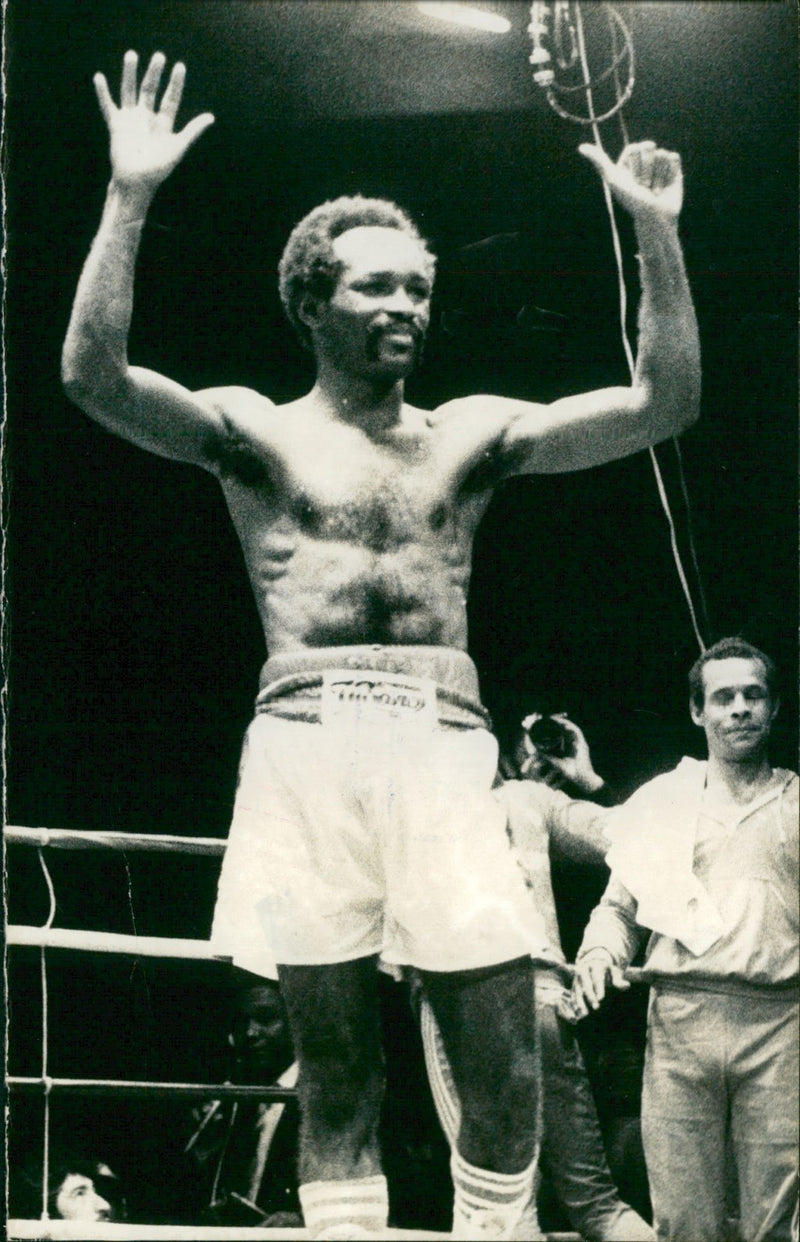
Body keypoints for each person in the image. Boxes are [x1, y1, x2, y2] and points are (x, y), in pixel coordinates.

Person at [61, 49, 700, 1240]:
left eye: (418, 286)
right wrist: (130, 193)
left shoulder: (469, 435)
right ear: (312, 303)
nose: (406, 306)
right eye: (375, 288)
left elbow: (659, 405)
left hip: (440, 742)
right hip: (305, 743)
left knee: (508, 1062)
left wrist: (654, 234)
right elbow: (94, 376)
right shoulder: (256, 433)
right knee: (335, 1071)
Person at [573, 638, 798, 1242]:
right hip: (680, 1023)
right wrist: (598, 953)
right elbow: (619, 908)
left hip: (779, 1026)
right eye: (723, 697)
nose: (740, 709)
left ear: (774, 707)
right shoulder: (664, 802)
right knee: (683, 1222)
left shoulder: (796, 804)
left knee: (776, 1225)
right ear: (698, 712)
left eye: (754, 695)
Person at [421, 716, 654, 1241]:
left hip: (467, 1004)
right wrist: (588, 779)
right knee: (598, 1207)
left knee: (505, 1209)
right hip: (544, 998)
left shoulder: (415, 804)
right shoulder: (528, 799)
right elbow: (635, 833)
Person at [183, 974, 301, 1228]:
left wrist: (304, 1223)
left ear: (296, 1022)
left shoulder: (324, 1097)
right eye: (240, 1022)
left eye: (266, 1018)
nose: (250, 1032)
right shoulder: (233, 1097)